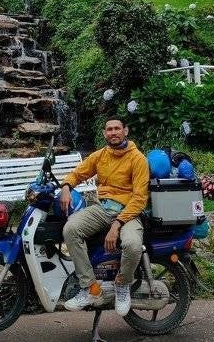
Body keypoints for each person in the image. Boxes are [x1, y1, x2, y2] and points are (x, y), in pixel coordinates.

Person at [59, 117, 149, 315]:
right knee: (70, 229)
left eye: (117, 128)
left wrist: (116, 225)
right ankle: (91, 288)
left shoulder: (137, 158)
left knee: (133, 245)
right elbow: (78, 173)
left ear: (125, 131)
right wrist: (66, 186)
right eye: (109, 129)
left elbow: (140, 198)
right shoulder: (100, 155)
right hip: (101, 209)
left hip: (128, 213)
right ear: (104, 133)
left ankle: (122, 284)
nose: (113, 132)